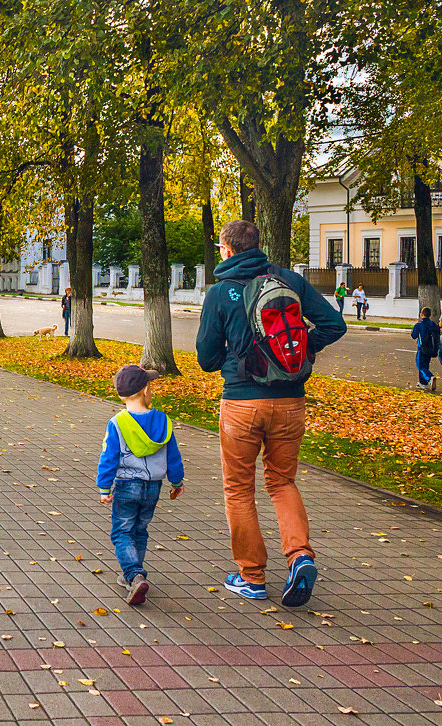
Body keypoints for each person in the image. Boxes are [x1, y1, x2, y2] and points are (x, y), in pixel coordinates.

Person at [196, 220, 346, 607]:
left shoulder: (220, 292)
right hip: (292, 401)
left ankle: (252, 577)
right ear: (257, 246)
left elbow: (208, 360)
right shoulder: (290, 281)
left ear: (227, 249)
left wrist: (241, 354)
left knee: (239, 488)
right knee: (282, 482)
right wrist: (299, 347)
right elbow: (334, 323)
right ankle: (300, 556)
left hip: (242, 404)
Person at [97, 365, 184, 606]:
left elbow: (108, 457)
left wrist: (104, 488)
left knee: (122, 531)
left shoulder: (117, 423)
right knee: (140, 530)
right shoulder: (163, 421)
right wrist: (176, 481)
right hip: (153, 487)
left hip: (126, 485)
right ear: (146, 390)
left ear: (121, 395)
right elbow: (173, 456)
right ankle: (133, 574)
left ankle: (134, 575)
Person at [412, 306, 440, 391]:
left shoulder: (419, 325)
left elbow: (414, 335)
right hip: (431, 348)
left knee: (420, 365)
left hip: (422, 348)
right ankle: (422, 383)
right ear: (430, 315)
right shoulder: (433, 324)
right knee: (425, 365)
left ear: (422, 314)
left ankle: (429, 377)